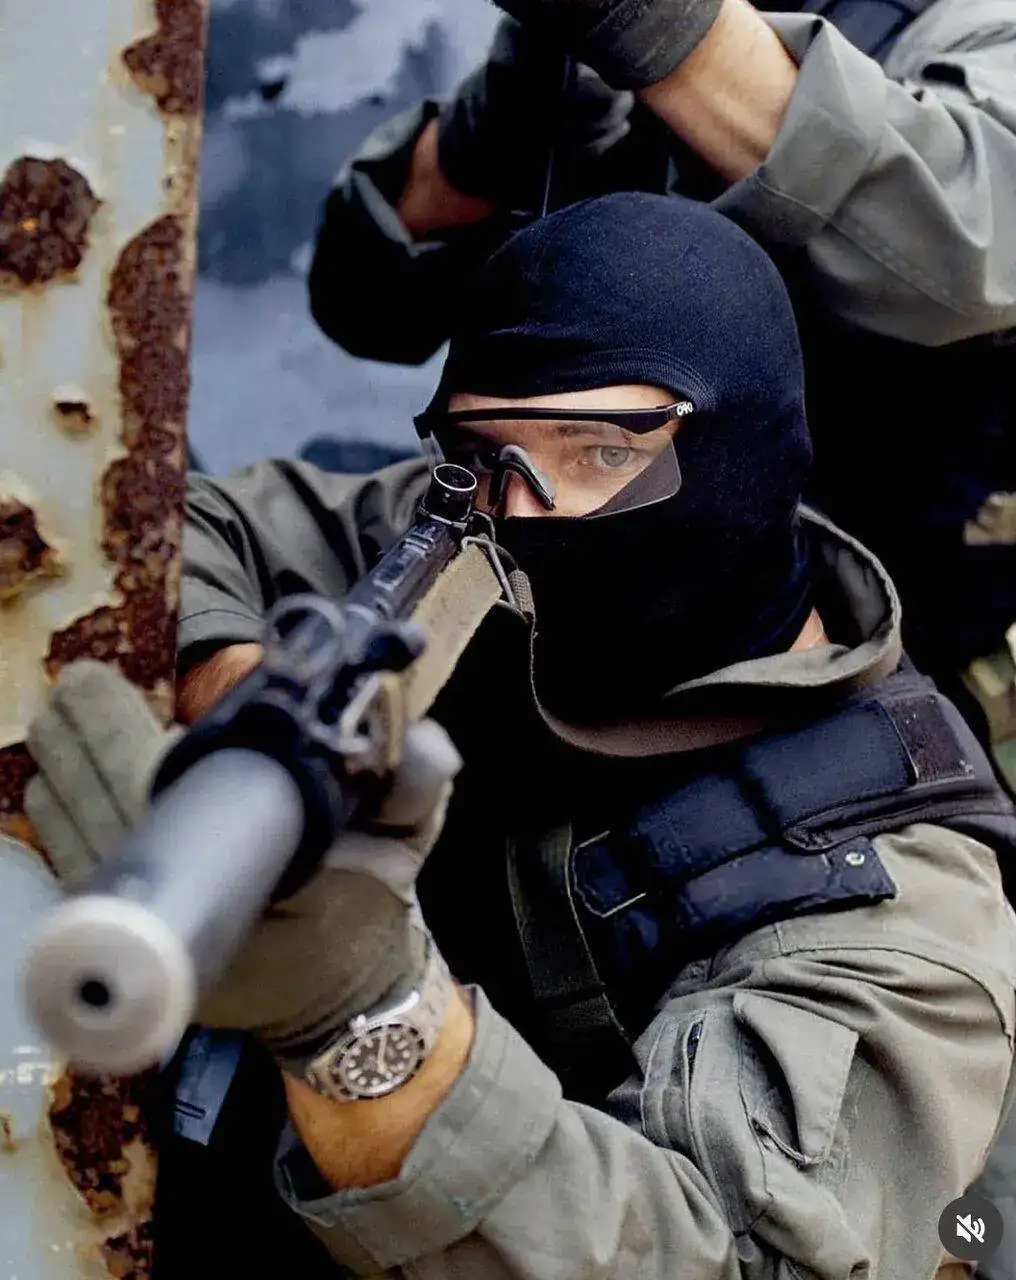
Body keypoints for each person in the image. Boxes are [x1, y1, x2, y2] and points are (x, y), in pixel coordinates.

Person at [24, 194, 1016, 1279]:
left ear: (745, 453)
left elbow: (714, 1256)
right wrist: (243, 687)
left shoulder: (893, 907)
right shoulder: (478, 522)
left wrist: (358, 1014)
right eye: (483, 452)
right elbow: (185, 525)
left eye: (600, 453)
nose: (528, 512)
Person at [307, 0, 1016, 791]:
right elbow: (367, 304)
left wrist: (659, 27)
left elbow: (972, 246)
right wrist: (503, 125)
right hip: (572, 647)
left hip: (871, 670)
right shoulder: (600, 57)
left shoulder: (967, 27)